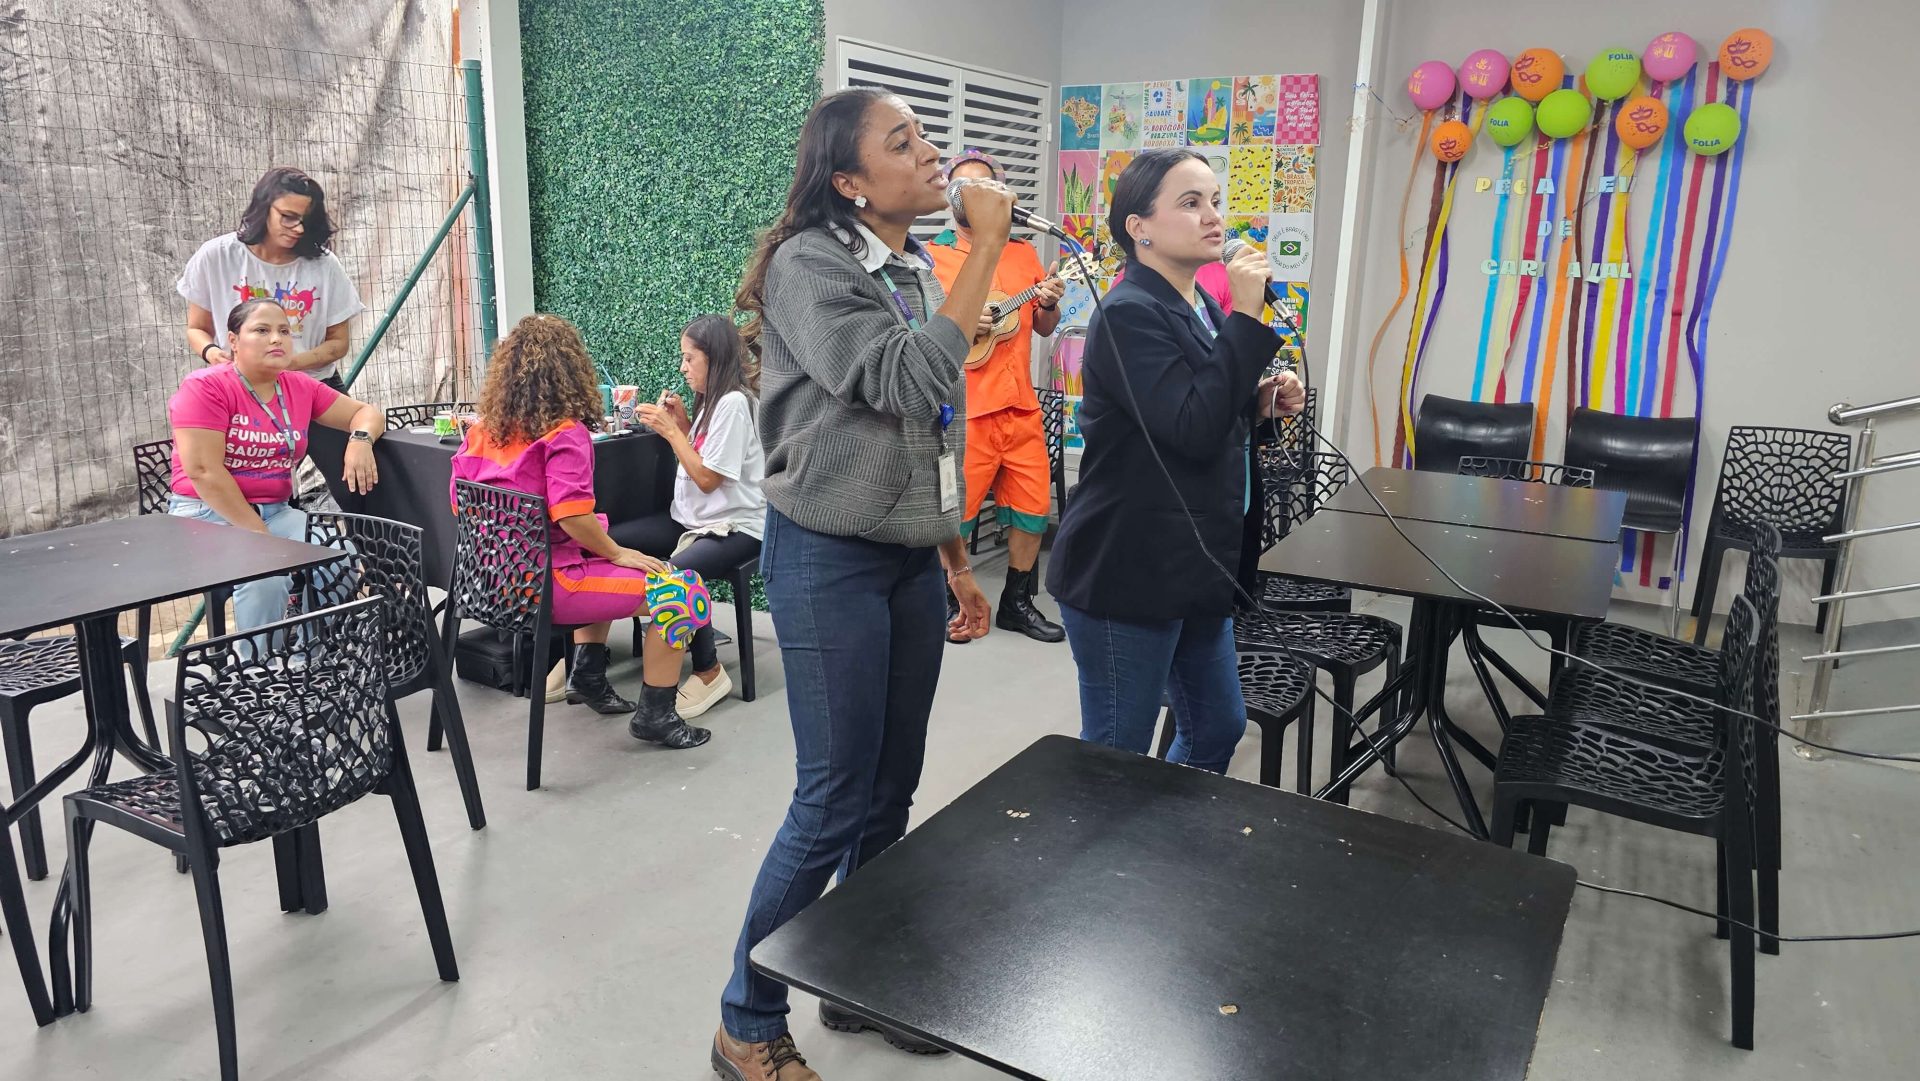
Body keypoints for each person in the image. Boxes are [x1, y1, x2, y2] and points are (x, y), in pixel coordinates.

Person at [711, 87, 1009, 1081]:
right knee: (833, 800)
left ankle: (856, 979)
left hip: (907, 557)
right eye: (903, 141)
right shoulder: (810, 265)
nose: (931, 154)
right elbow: (906, 379)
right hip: (826, 556)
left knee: (890, 789)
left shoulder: (911, 267)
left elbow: (930, 429)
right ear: (848, 181)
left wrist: (954, 557)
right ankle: (747, 1018)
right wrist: (984, 250)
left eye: (925, 136)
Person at [1046, 148, 1305, 774]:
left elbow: (1199, 412)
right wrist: (1248, 316)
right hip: (1130, 567)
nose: (1213, 216)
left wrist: (1260, 407)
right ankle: (1108, 836)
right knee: (1118, 752)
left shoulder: (1199, 307)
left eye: (1214, 200)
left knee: (1218, 726)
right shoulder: (1128, 313)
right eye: (1190, 203)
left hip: (1195, 563)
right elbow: (1189, 428)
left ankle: (1161, 829)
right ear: (1139, 227)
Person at [450, 314, 710, 750]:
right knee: (683, 591)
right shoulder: (564, 434)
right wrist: (617, 552)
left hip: (489, 586)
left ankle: (587, 674)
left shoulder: (479, 432)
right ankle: (656, 716)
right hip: (545, 587)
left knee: (601, 550)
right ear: (571, 371)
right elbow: (572, 516)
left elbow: (461, 505)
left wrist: (602, 549)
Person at [167, 298, 385, 630]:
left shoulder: (298, 386)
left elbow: (366, 413)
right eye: (262, 330)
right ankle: (257, 660)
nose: (276, 339)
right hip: (208, 515)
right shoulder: (205, 387)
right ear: (233, 341)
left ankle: (312, 651)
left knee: (339, 555)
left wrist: (360, 440)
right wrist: (260, 536)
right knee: (266, 573)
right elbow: (203, 471)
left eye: (284, 331)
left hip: (276, 511)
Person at [925, 148, 1067, 644]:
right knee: (956, 513)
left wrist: (1049, 303)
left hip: (1021, 405)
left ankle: (1017, 603)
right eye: (963, 188)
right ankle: (949, 601)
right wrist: (965, 319)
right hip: (964, 410)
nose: (973, 197)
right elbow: (919, 329)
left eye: (985, 187)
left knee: (1033, 507)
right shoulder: (930, 256)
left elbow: (1043, 326)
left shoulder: (1023, 253)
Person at [610, 314, 766, 719]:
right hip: (693, 520)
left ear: (714, 358)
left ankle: (709, 670)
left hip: (737, 527)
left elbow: (709, 479)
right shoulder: (711, 402)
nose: (683, 367)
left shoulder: (734, 404)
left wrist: (672, 432)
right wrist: (683, 425)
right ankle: (587, 666)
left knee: (674, 576)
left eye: (689, 358)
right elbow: (704, 457)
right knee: (611, 542)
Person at [178, 166, 365, 496]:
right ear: (264, 207)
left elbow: (338, 343)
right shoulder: (217, 256)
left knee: (359, 484)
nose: (298, 228)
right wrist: (212, 353)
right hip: (241, 392)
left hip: (313, 387)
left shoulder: (323, 265)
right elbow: (196, 328)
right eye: (288, 217)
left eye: (306, 220)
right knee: (258, 488)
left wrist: (290, 364)